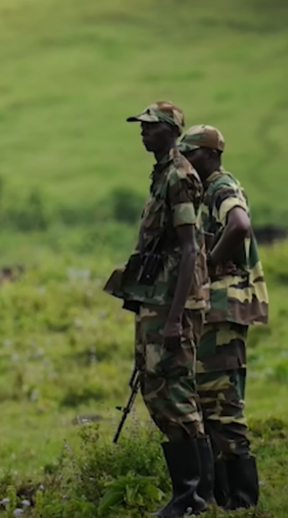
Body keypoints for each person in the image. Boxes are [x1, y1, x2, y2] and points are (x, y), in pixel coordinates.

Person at [103, 101, 212, 517]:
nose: (143, 132)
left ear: (171, 130)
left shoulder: (180, 177)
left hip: (173, 303)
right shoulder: (162, 174)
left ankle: (194, 498)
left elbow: (189, 250)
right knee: (156, 388)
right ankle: (188, 494)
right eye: (142, 126)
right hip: (157, 298)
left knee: (176, 392)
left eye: (151, 126)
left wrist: (174, 318)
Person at [179, 124, 267, 510]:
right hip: (211, 310)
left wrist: (210, 263)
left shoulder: (220, 187)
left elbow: (240, 224)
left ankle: (242, 501)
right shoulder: (203, 193)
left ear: (212, 155)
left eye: (192, 153)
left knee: (221, 402)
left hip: (222, 307)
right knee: (208, 401)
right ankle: (223, 496)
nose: (186, 160)